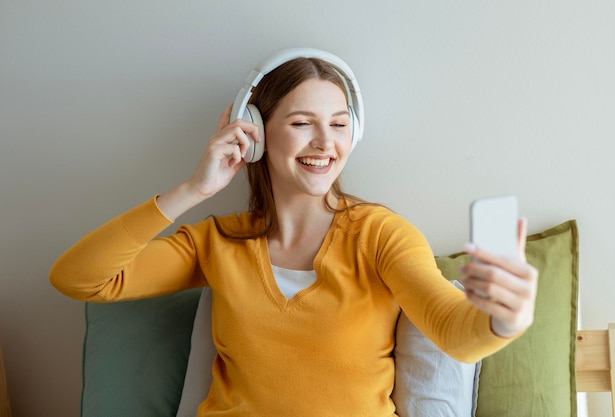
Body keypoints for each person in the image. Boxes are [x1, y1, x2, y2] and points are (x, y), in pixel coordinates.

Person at [50, 48, 538, 417]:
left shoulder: (380, 235)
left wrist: (504, 320)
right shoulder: (217, 242)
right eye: (302, 123)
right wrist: (195, 189)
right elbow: (80, 278)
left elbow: (454, 331)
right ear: (256, 133)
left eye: (339, 125)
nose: (325, 143)